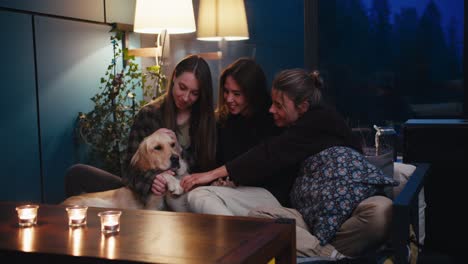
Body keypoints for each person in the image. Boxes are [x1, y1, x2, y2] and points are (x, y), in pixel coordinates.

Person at [180, 69, 397, 258]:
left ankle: (323, 253)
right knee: (259, 221)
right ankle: (332, 256)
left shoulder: (319, 121)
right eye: (226, 92)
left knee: (381, 212)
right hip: (307, 215)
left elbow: (269, 153)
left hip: (343, 210)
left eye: (279, 105)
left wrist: (209, 175)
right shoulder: (268, 124)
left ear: (302, 107)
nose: (272, 110)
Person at [65, 55, 217, 206]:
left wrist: (179, 149)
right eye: (182, 88)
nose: (185, 97)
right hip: (147, 193)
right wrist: (152, 181)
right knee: (77, 174)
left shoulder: (208, 122)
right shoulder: (149, 114)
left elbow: (207, 169)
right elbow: (129, 169)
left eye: (194, 93)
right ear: (174, 77)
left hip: (184, 193)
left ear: (202, 94)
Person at [152, 58, 283, 214]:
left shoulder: (272, 119)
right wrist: (218, 182)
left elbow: (261, 162)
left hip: (266, 193)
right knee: (184, 197)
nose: (228, 99)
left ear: (252, 94)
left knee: (199, 196)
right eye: (226, 91)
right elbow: (210, 164)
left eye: (237, 94)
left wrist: (232, 180)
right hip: (229, 192)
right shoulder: (223, 121)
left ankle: (232, 237)